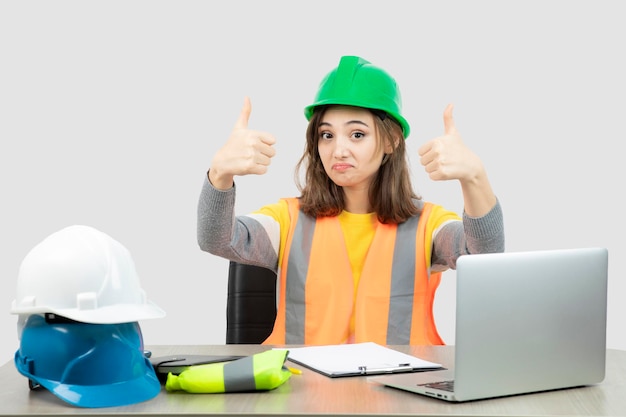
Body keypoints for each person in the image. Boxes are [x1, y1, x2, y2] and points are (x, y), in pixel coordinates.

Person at [197, 55, 504, 346]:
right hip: (301, 394)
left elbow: (485, 257)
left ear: (390, 140)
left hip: (401, 393)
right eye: (326, 135)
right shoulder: (287, 218)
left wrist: (474, 176)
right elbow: (217, 239)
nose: (338, 150)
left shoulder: (428, 224)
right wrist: (220, 173)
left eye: (356, 134)